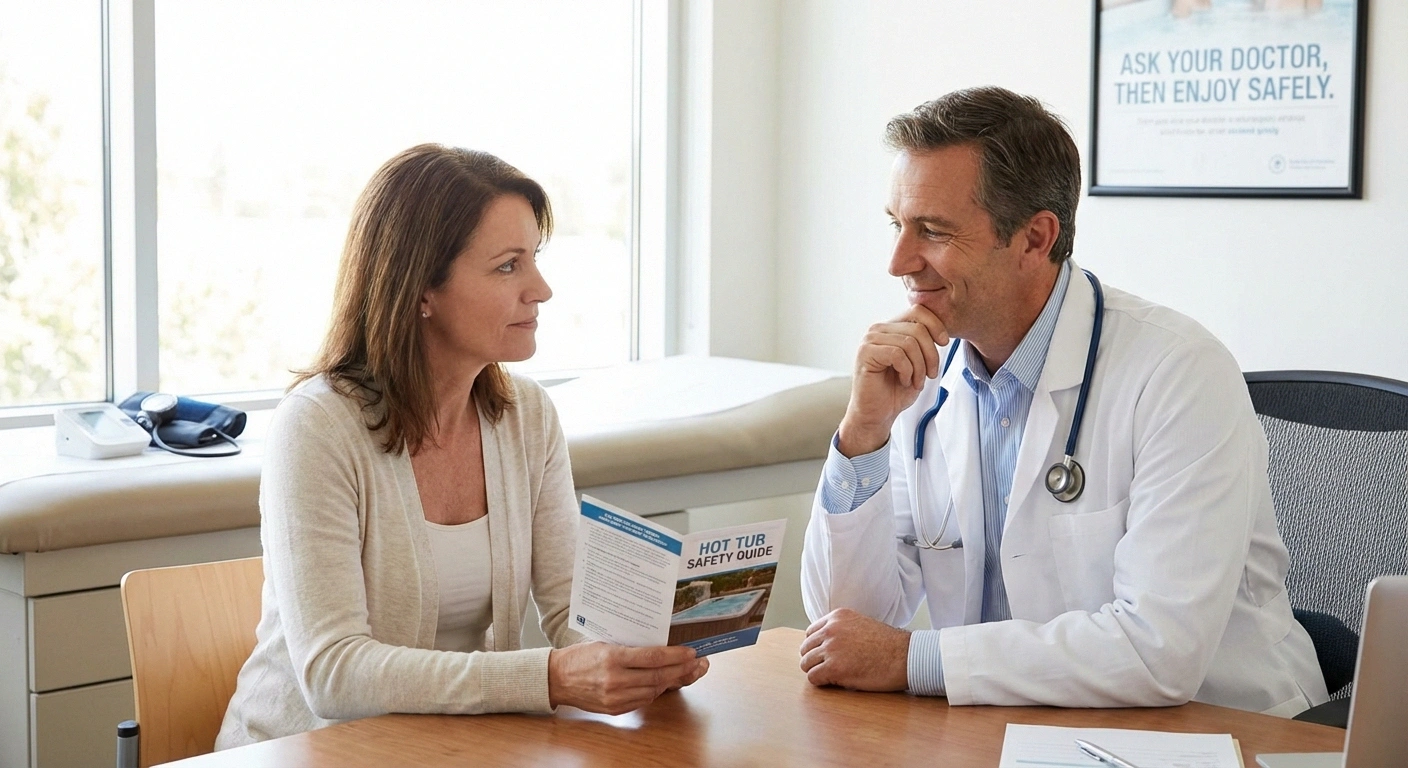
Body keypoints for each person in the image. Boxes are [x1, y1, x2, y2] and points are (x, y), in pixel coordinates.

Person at [798, 87, 1327, 715]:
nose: (897, 262)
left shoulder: (1179, 372)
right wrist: (864, 433)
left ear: (1034, 238)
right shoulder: (918, 378)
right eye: (896, 225)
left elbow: (1159, 652)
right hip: (1000, 727)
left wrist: (912, 659)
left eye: (933, 231)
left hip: (1214, 729)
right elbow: (844, 627)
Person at [218, 144, 707, 747]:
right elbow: (334, 673)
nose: (541, 289)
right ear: (421, 289)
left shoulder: (526, 416)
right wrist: (550, 678)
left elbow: (570, 612)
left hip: (452, 749)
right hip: (308, 749)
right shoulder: (316, 426)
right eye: (508, 266)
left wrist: (644, 656)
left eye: (535, 259)